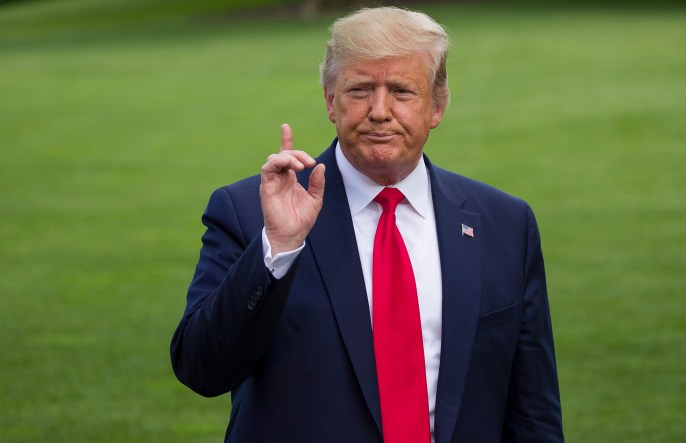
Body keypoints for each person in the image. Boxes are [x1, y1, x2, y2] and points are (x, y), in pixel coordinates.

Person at [171, 6, 563, 443]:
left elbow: (532, 412)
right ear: (329, 101)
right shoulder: (249, 212)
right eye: (359, 90)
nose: (379, 110)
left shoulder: (505, 224)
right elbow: (201, 368)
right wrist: (277, 248)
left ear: (438, 105)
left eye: (401, 91)